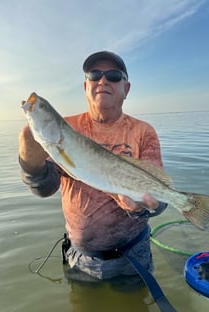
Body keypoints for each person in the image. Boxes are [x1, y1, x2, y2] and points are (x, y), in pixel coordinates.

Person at [19, 51, 167, 283]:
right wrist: (30, 163)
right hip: (81, 257)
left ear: (126, 89)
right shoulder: (67, 128)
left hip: (133, 254)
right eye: (95, 74)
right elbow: (44, 189)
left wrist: (140, 208)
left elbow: (160, 199)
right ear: (86, 85)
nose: (103, 80)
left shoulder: (143, 131)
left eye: (114, 76)